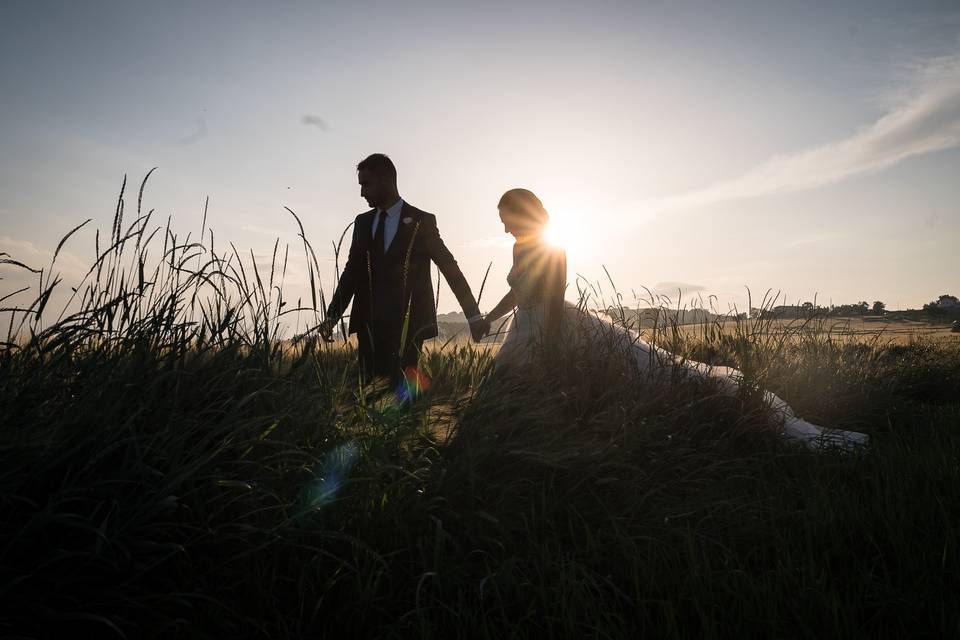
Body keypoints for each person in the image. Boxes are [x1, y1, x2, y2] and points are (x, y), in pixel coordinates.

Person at [477, 188, 869, 451]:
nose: (503, 226)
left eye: (506, 217)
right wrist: (489, 318)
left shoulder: (554, 246)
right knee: (506, 387)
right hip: (526, 323)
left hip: (552, 325)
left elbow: (555, 294)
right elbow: (517, 292)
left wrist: (550, 342)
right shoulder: (518, 247)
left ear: (521, 212)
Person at [319, 154, 486, 385]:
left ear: (387, 180)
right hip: (369, 325)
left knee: (403, 396)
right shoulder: (362, 222)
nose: (361, 193)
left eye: (366, 184)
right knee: (368, 391)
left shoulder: (422, 221)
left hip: (409, 326)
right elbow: (352, 271)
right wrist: (332, 316)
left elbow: (449, 267)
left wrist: (473, 315)